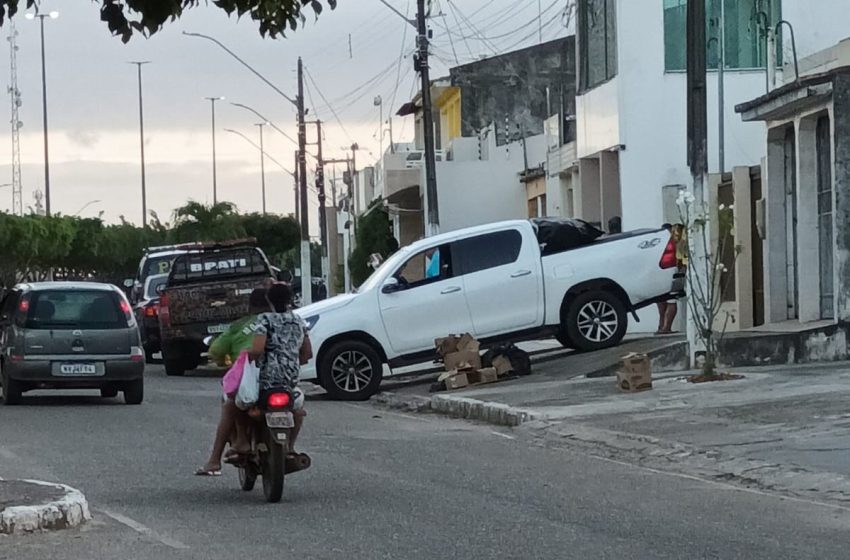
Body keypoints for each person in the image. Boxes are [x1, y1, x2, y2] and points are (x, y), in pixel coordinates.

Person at [194, 288, 269, 477]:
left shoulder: (239, 326)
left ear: (250, 306)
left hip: (250, 380)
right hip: (281, 379)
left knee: (229, 402)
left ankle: (220, 456)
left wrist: (225, 361)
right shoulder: (286, 322)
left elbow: (215, 351)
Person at [250, 283, 313, 454]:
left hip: (266, 379)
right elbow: (307, 353)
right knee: (297, 410)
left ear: (269, 300)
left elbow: (257, 350)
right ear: (290, 300)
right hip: (290, 381)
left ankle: (247, 443)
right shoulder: (299, 321)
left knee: (248, 407)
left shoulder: (264, 319)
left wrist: (247, 359)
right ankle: (290, 447)